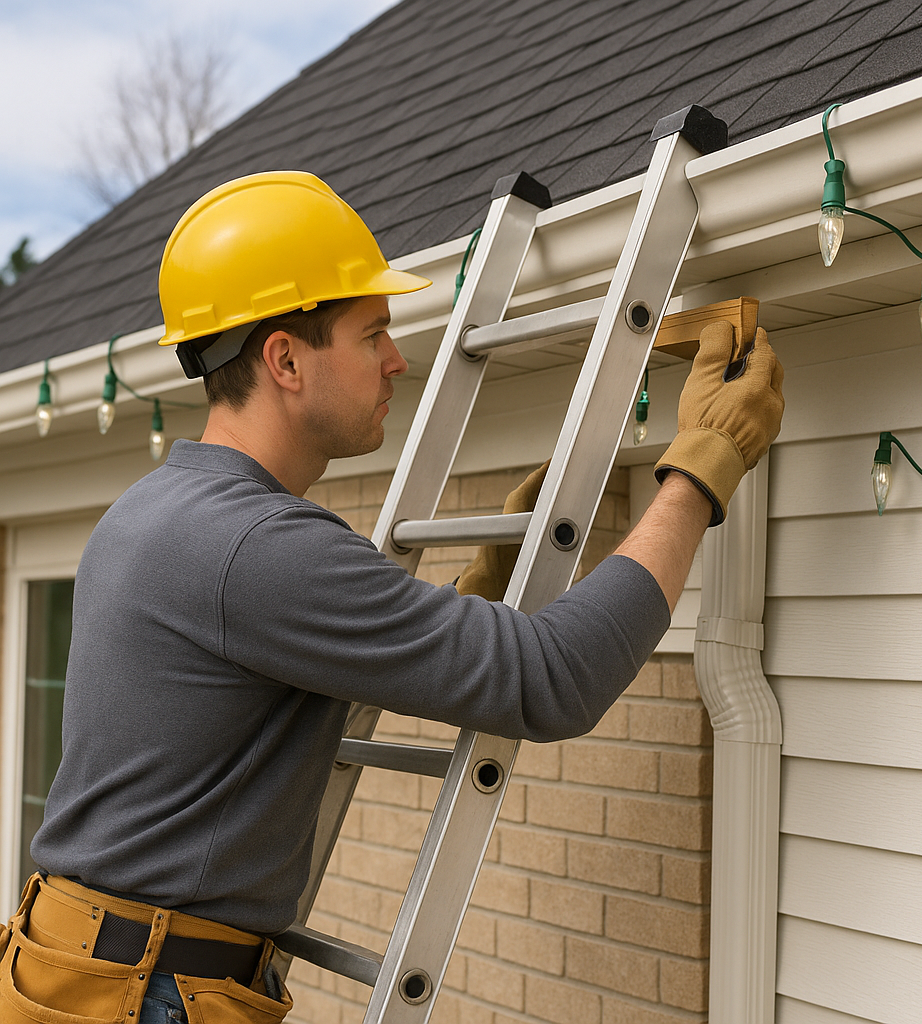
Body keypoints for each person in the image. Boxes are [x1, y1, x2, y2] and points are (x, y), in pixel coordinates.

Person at [0, 171, 784, 1023]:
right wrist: (704, 465)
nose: (397, 359)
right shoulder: (260, 548)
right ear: (286, 360)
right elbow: (551, 680)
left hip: (73, 961)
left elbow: (303, 653)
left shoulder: (150, 512)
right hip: (147, 990)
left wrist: (481, 587)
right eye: (371, 333)